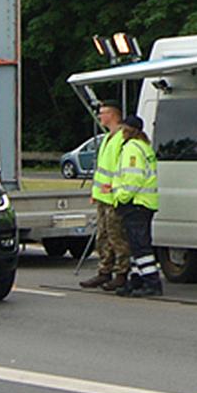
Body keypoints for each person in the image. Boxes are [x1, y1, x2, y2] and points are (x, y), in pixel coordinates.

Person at [80, 102, 131, 291]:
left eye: (103, 113)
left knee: (117, 236)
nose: (100, 117)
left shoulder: (122, 137)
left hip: (115, 196)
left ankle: (121, 272)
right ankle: (104, 270)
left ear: (113, 115)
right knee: (103, 236)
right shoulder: (107, 138)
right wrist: (95, 192)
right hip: (103, 196)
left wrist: (117, 188)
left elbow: (122, 167)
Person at [110, 114, 162, 298]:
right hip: (144, 203)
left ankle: (152, 283)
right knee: (136, 246)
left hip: (136, 203)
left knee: (140, 246)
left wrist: (121, 197)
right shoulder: (144, 146)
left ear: (127, 130)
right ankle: (137, 280)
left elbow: (133, 178)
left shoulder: (132, 148)